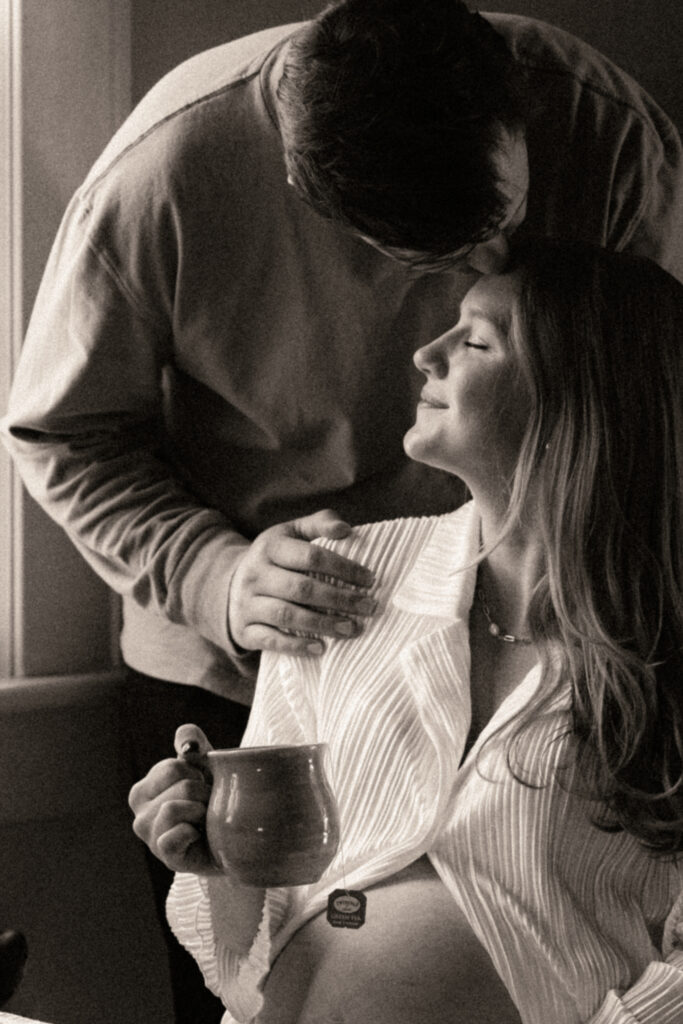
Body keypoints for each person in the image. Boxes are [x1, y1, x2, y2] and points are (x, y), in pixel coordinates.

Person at [2, 1, 682, 1019]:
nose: (494, 269)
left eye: (506, 221)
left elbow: (658, 378)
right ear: (309, 194)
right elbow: (62, 433)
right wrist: (217, 576)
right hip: (267, 634)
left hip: (590, 612)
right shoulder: (166, 178)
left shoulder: (605, 132)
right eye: (432, 264)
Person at [130, 238, 683, 1024]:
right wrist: (216, 852)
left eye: (477, 340)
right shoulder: (339, 579)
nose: (426, 354)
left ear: (580, 401)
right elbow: (246, 941)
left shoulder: (666, 641)